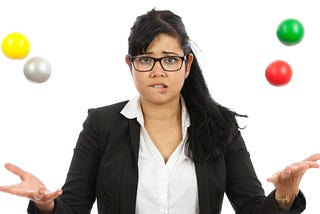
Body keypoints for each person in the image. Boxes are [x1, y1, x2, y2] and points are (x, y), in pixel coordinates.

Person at [0, 8, 319, 214]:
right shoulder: (102, 124)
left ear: (187, 64)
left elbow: (250, 208)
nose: (158, 70)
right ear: (131, 64)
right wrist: (46, 203)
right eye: (145, 59)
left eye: (169, 59)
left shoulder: (220, 125)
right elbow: (73, 207)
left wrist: (283, 197)